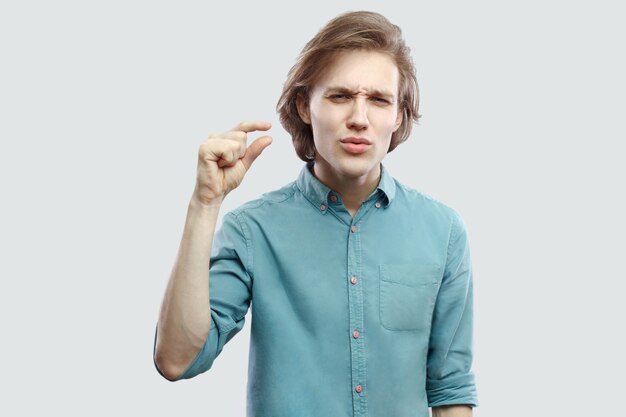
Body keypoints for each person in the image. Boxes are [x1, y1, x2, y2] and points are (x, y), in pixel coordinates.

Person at [154, 10, 477, 417]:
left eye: (378, 100)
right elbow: (178, 359)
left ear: (397, 115)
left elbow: (450, 388)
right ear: (305, 106)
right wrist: (204, 205)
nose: (359, 119)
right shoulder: (253, 230)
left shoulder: (443, 231)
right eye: (340, 96)